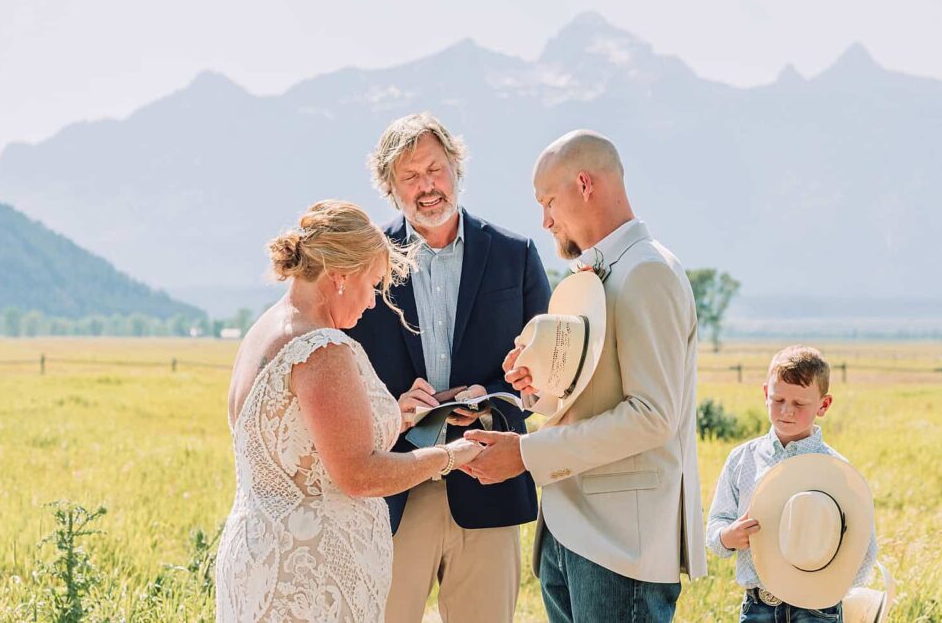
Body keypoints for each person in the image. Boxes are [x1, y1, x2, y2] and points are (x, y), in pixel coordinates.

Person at [464, 130, 707, 622]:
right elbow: (597, 396)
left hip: (620, 548)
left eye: (548, 201)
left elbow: (652, 416)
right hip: (571, 532)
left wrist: (526, 455)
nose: (545, 220)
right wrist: (540, 391)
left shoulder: (646, 272)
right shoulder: (599, 273)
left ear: (584, 184)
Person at [214, 200, 483, 623]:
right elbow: (359, 474)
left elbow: (305, 442)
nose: (374, 303)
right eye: (373, 285)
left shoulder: (265, 331)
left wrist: (400, 414)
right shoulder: (321, 348)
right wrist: (453, 455)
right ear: (341, 277)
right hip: (308, 578)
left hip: (261, 557)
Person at [347, 112, 551, 623]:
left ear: (456, 169)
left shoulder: (516, 255)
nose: (427, 187)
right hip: (395, 489)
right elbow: (341, 367)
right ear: (390, 188)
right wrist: (393, 409)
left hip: (488, 478)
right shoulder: (364, 263)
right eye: (410, 177)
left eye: (435, 170)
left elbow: (550, 368)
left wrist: (490, 397)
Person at [705, 345, 878, 622]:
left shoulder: (839, 472)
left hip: (819, 610)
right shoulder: (742, 459)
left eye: (799, 404)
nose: (786, 411)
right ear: (765, 394)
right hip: (758, 606)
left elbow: (865, 547)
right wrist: (727, 537)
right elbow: (716, 524)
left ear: (823, 405)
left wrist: (832, 583)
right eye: (778, 400)